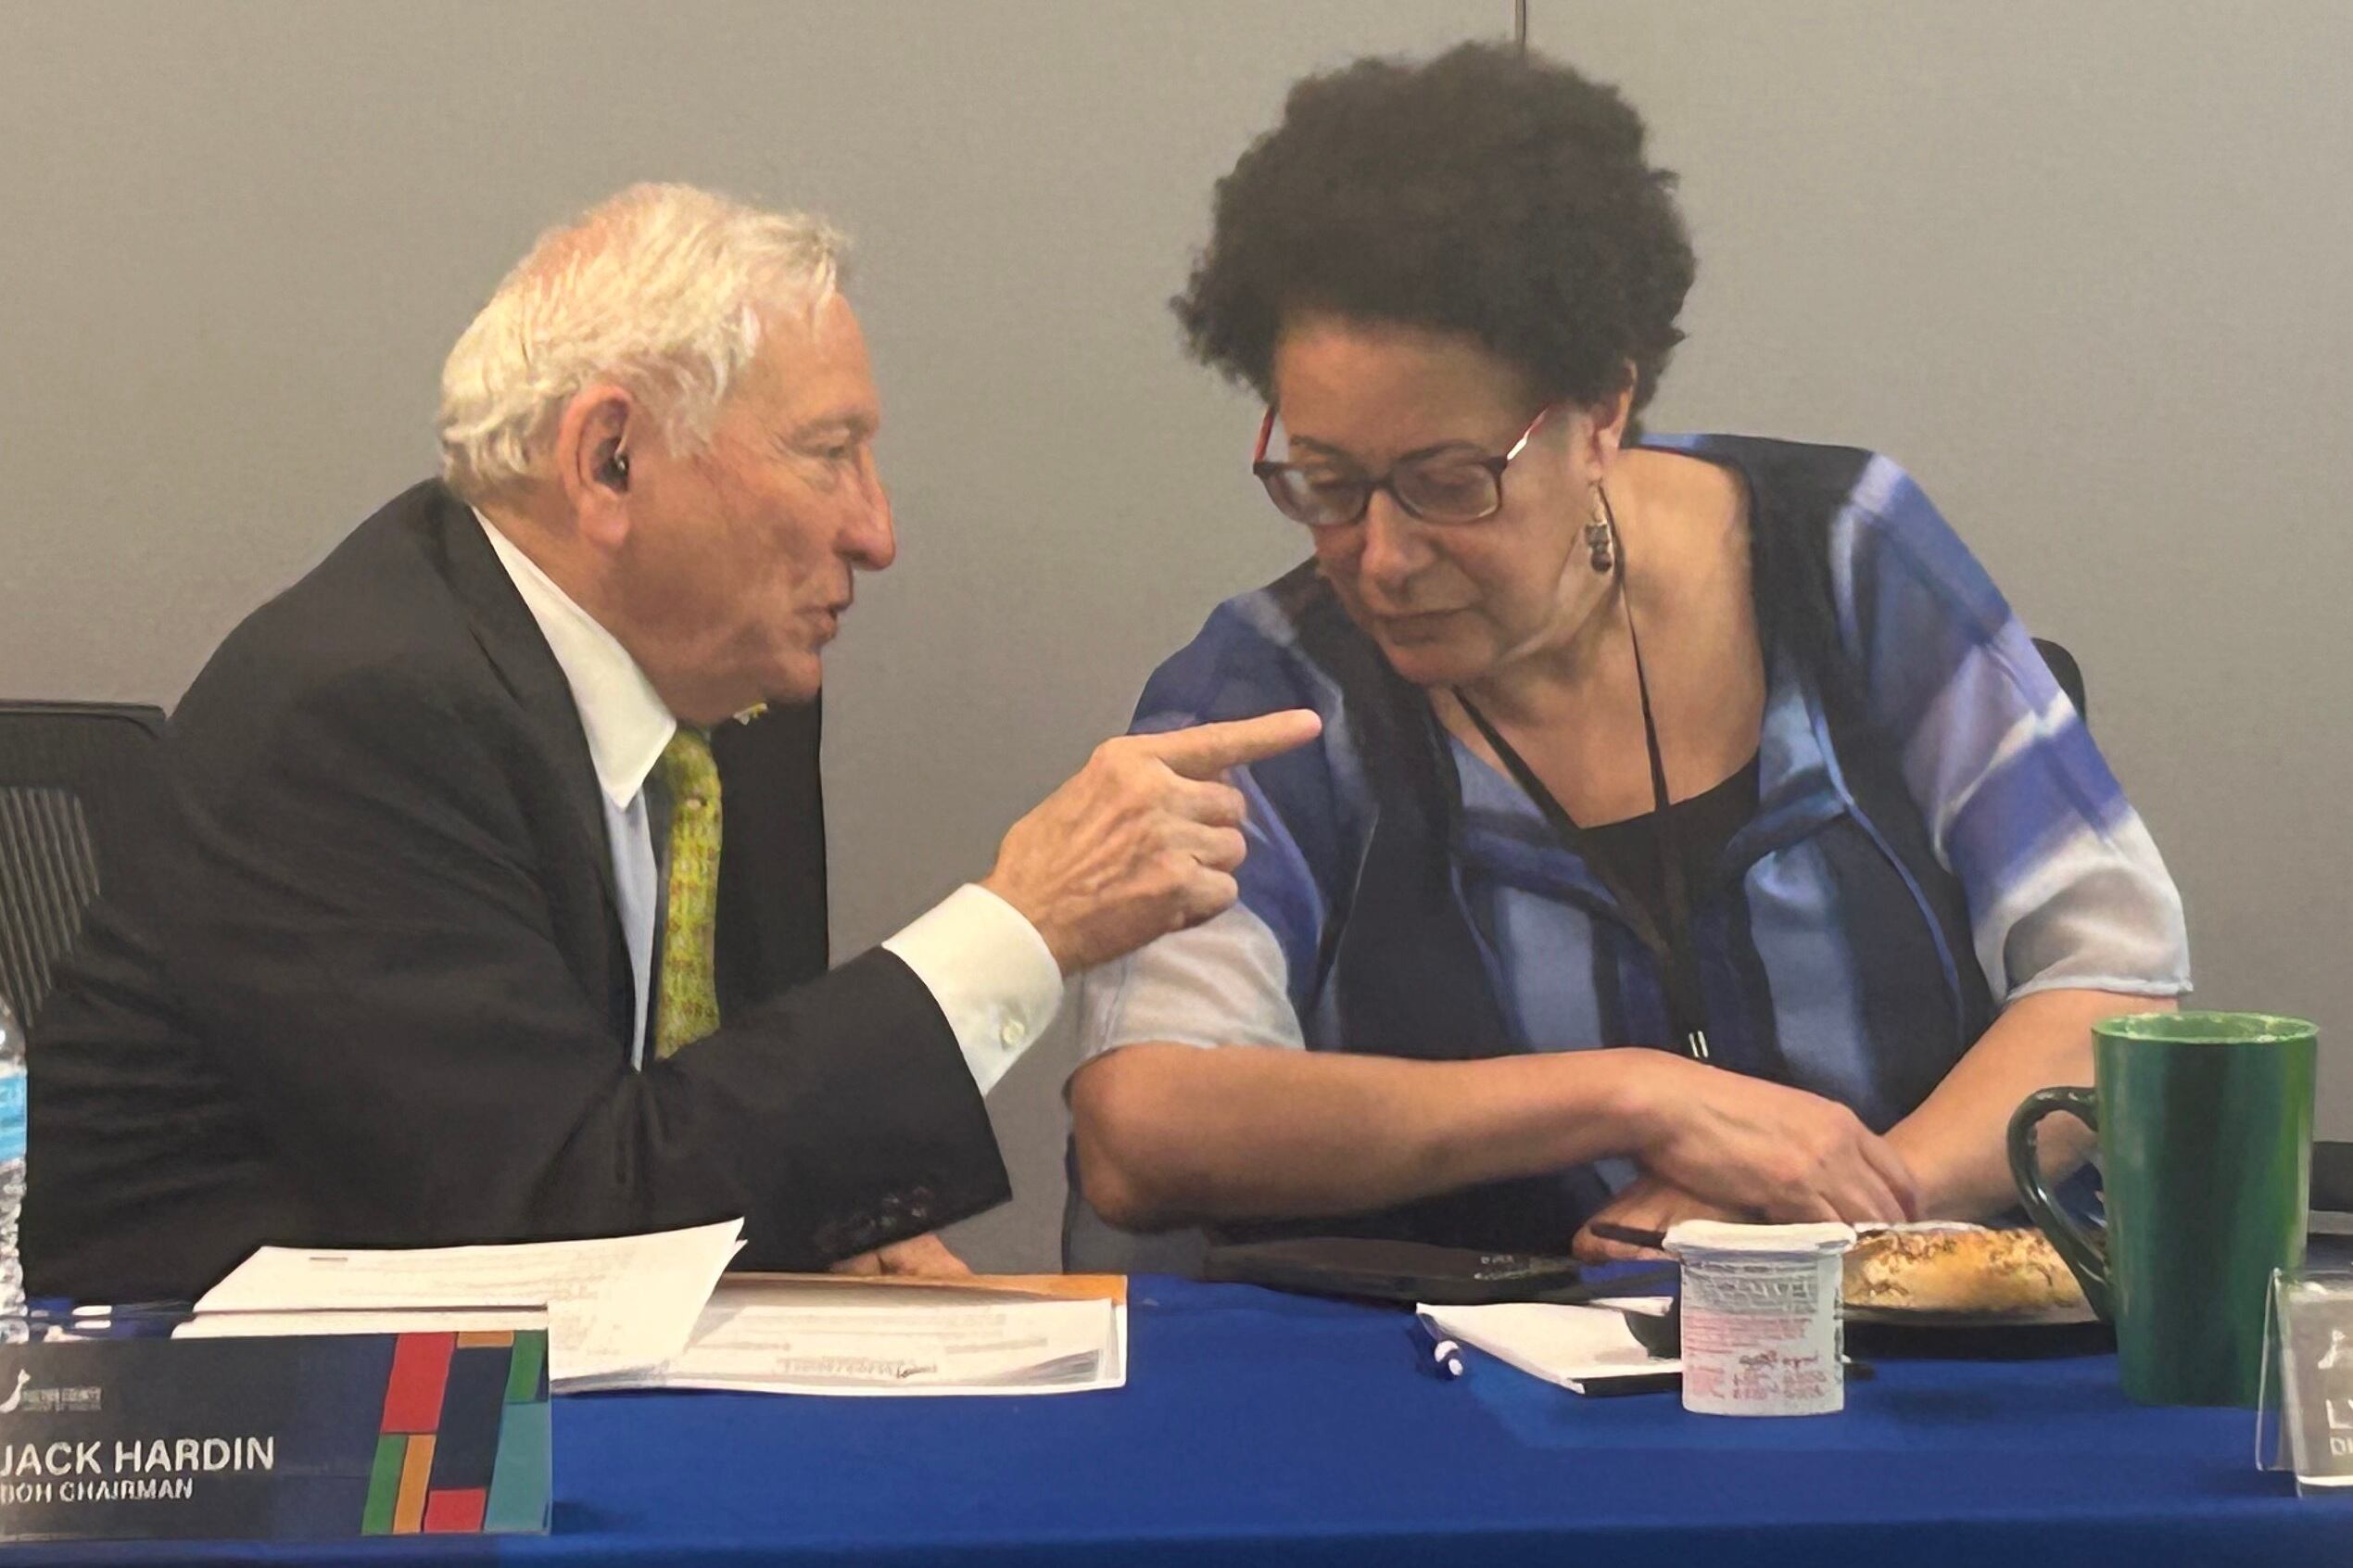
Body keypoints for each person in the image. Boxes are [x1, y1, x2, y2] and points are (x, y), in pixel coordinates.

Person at [25, 183, 1317, 1303]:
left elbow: (707, 1126)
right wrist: (1023, 922)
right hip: (240, 1459)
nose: (877, 533)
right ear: (612, 459)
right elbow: (555, 1223)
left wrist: (827, 1232)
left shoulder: (733, 701)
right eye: (829, 457)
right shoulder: (359, 712)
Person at [1067, 44, 2188, 1265]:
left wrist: (1846, 1213)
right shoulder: (1267, 695)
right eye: (1326, 484)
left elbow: (2119, 990)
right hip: (1451, 1394)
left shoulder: (1851, 557)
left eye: (1449, 485)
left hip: (1905, 1352)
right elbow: (1147, 1122)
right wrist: (1629, 1093)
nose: (1381, 555)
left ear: (1602, 414)